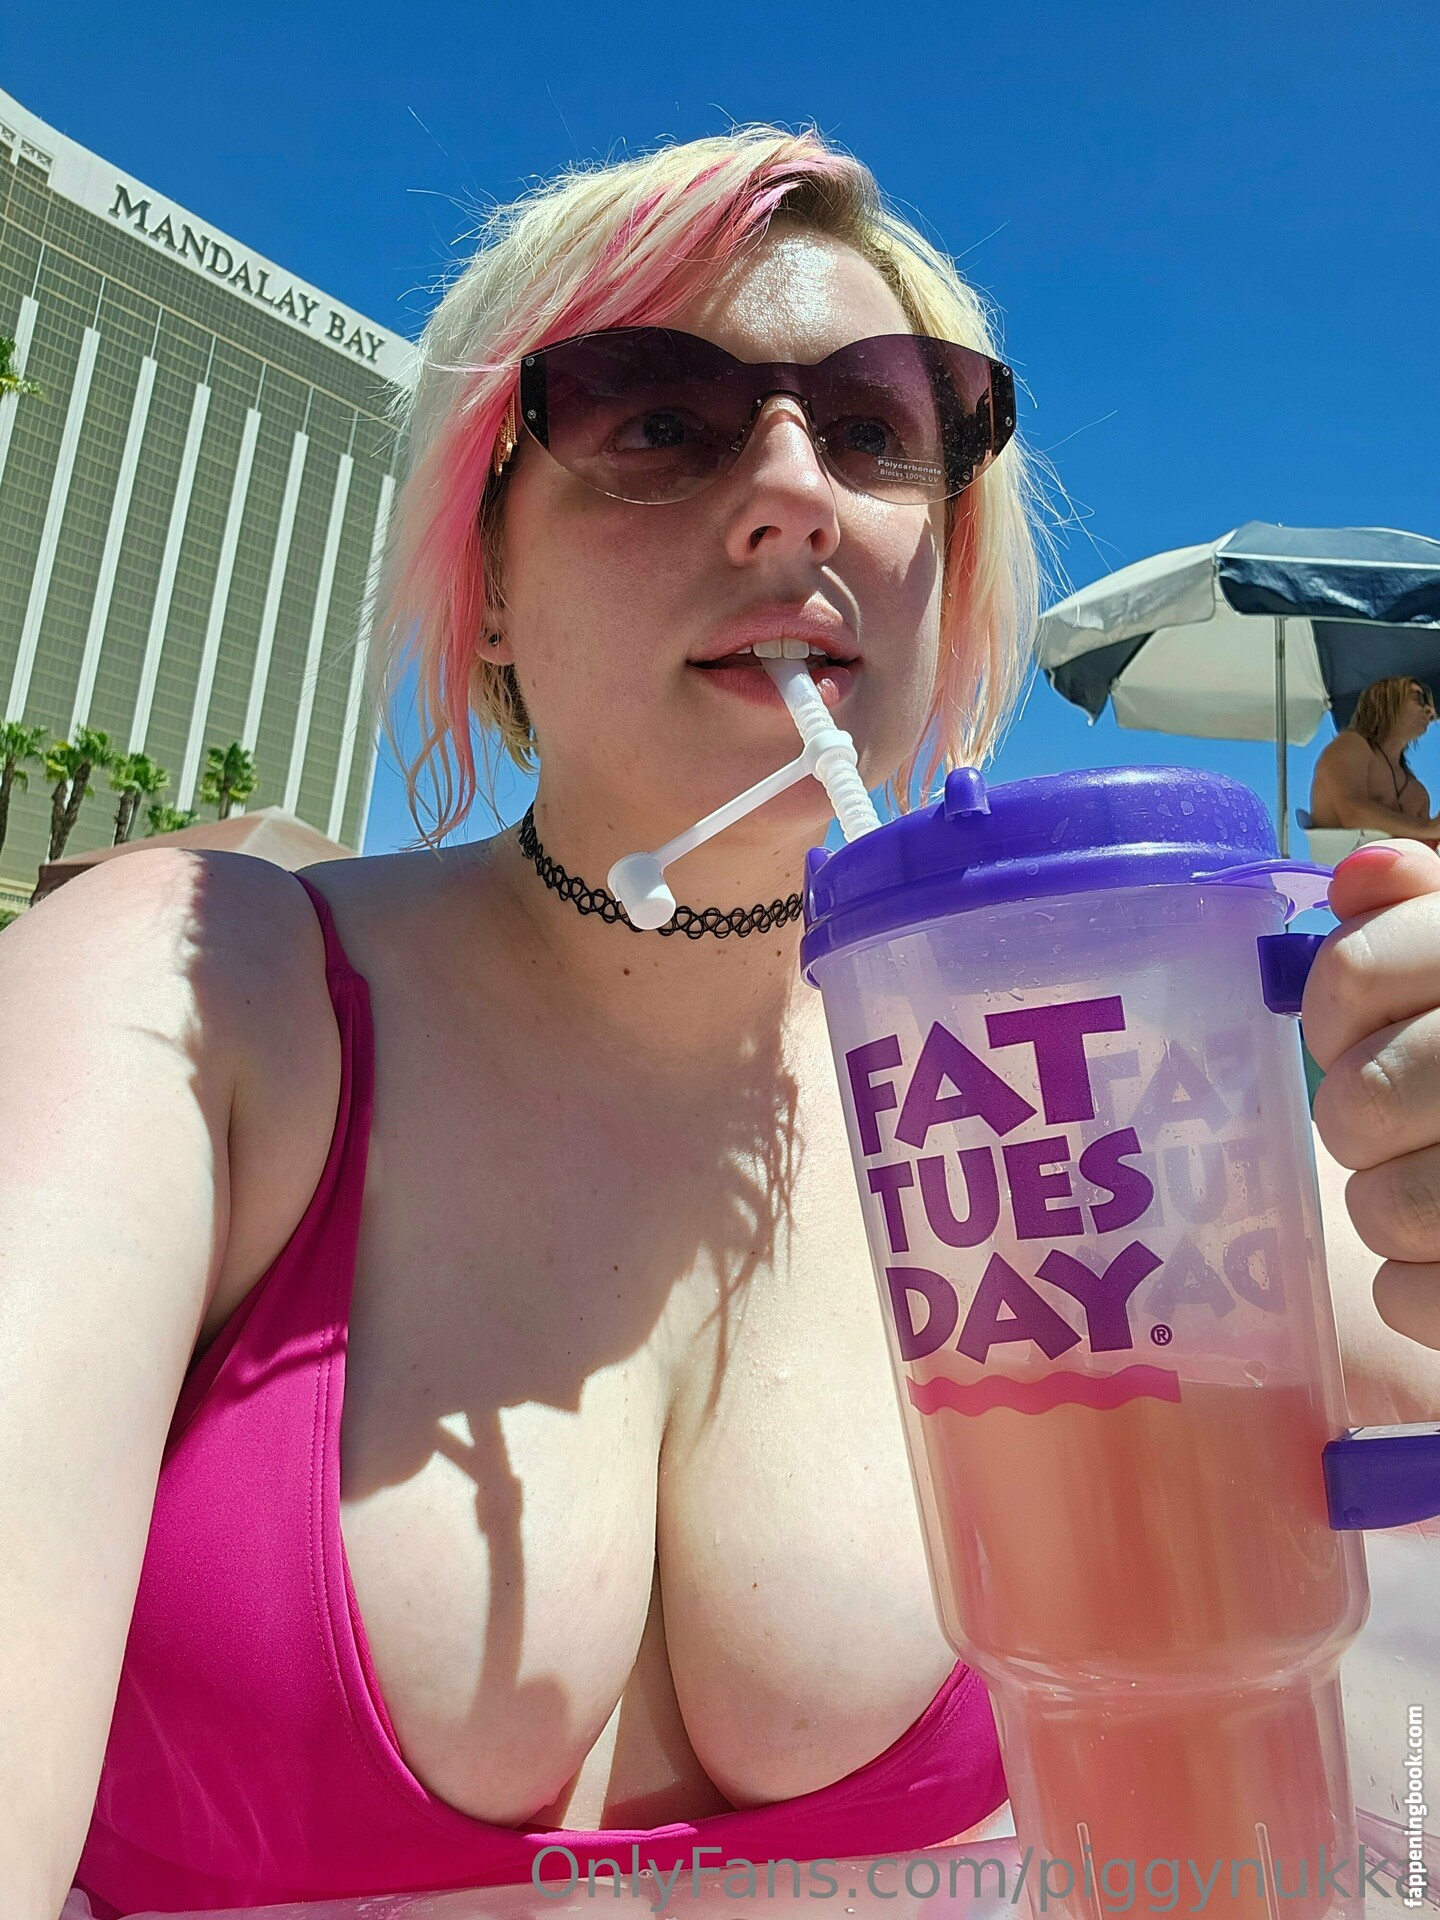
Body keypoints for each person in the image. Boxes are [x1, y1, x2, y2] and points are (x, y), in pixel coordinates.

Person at [1, 127, 1438, 1920]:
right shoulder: (198, 994)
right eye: (656, 416)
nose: (793, 495)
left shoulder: (1093, 1092)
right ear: (488, 577)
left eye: (877, 428)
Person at [1308, 675, 1440, 842]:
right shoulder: (1351, 745)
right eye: (1419, 699)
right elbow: (1352, 814)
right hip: (1341, 858)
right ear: (1387, 701)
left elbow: (1424, 846)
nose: (1431, 711)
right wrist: (1427, 828)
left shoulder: (1418, 794)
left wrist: (1432, 834)